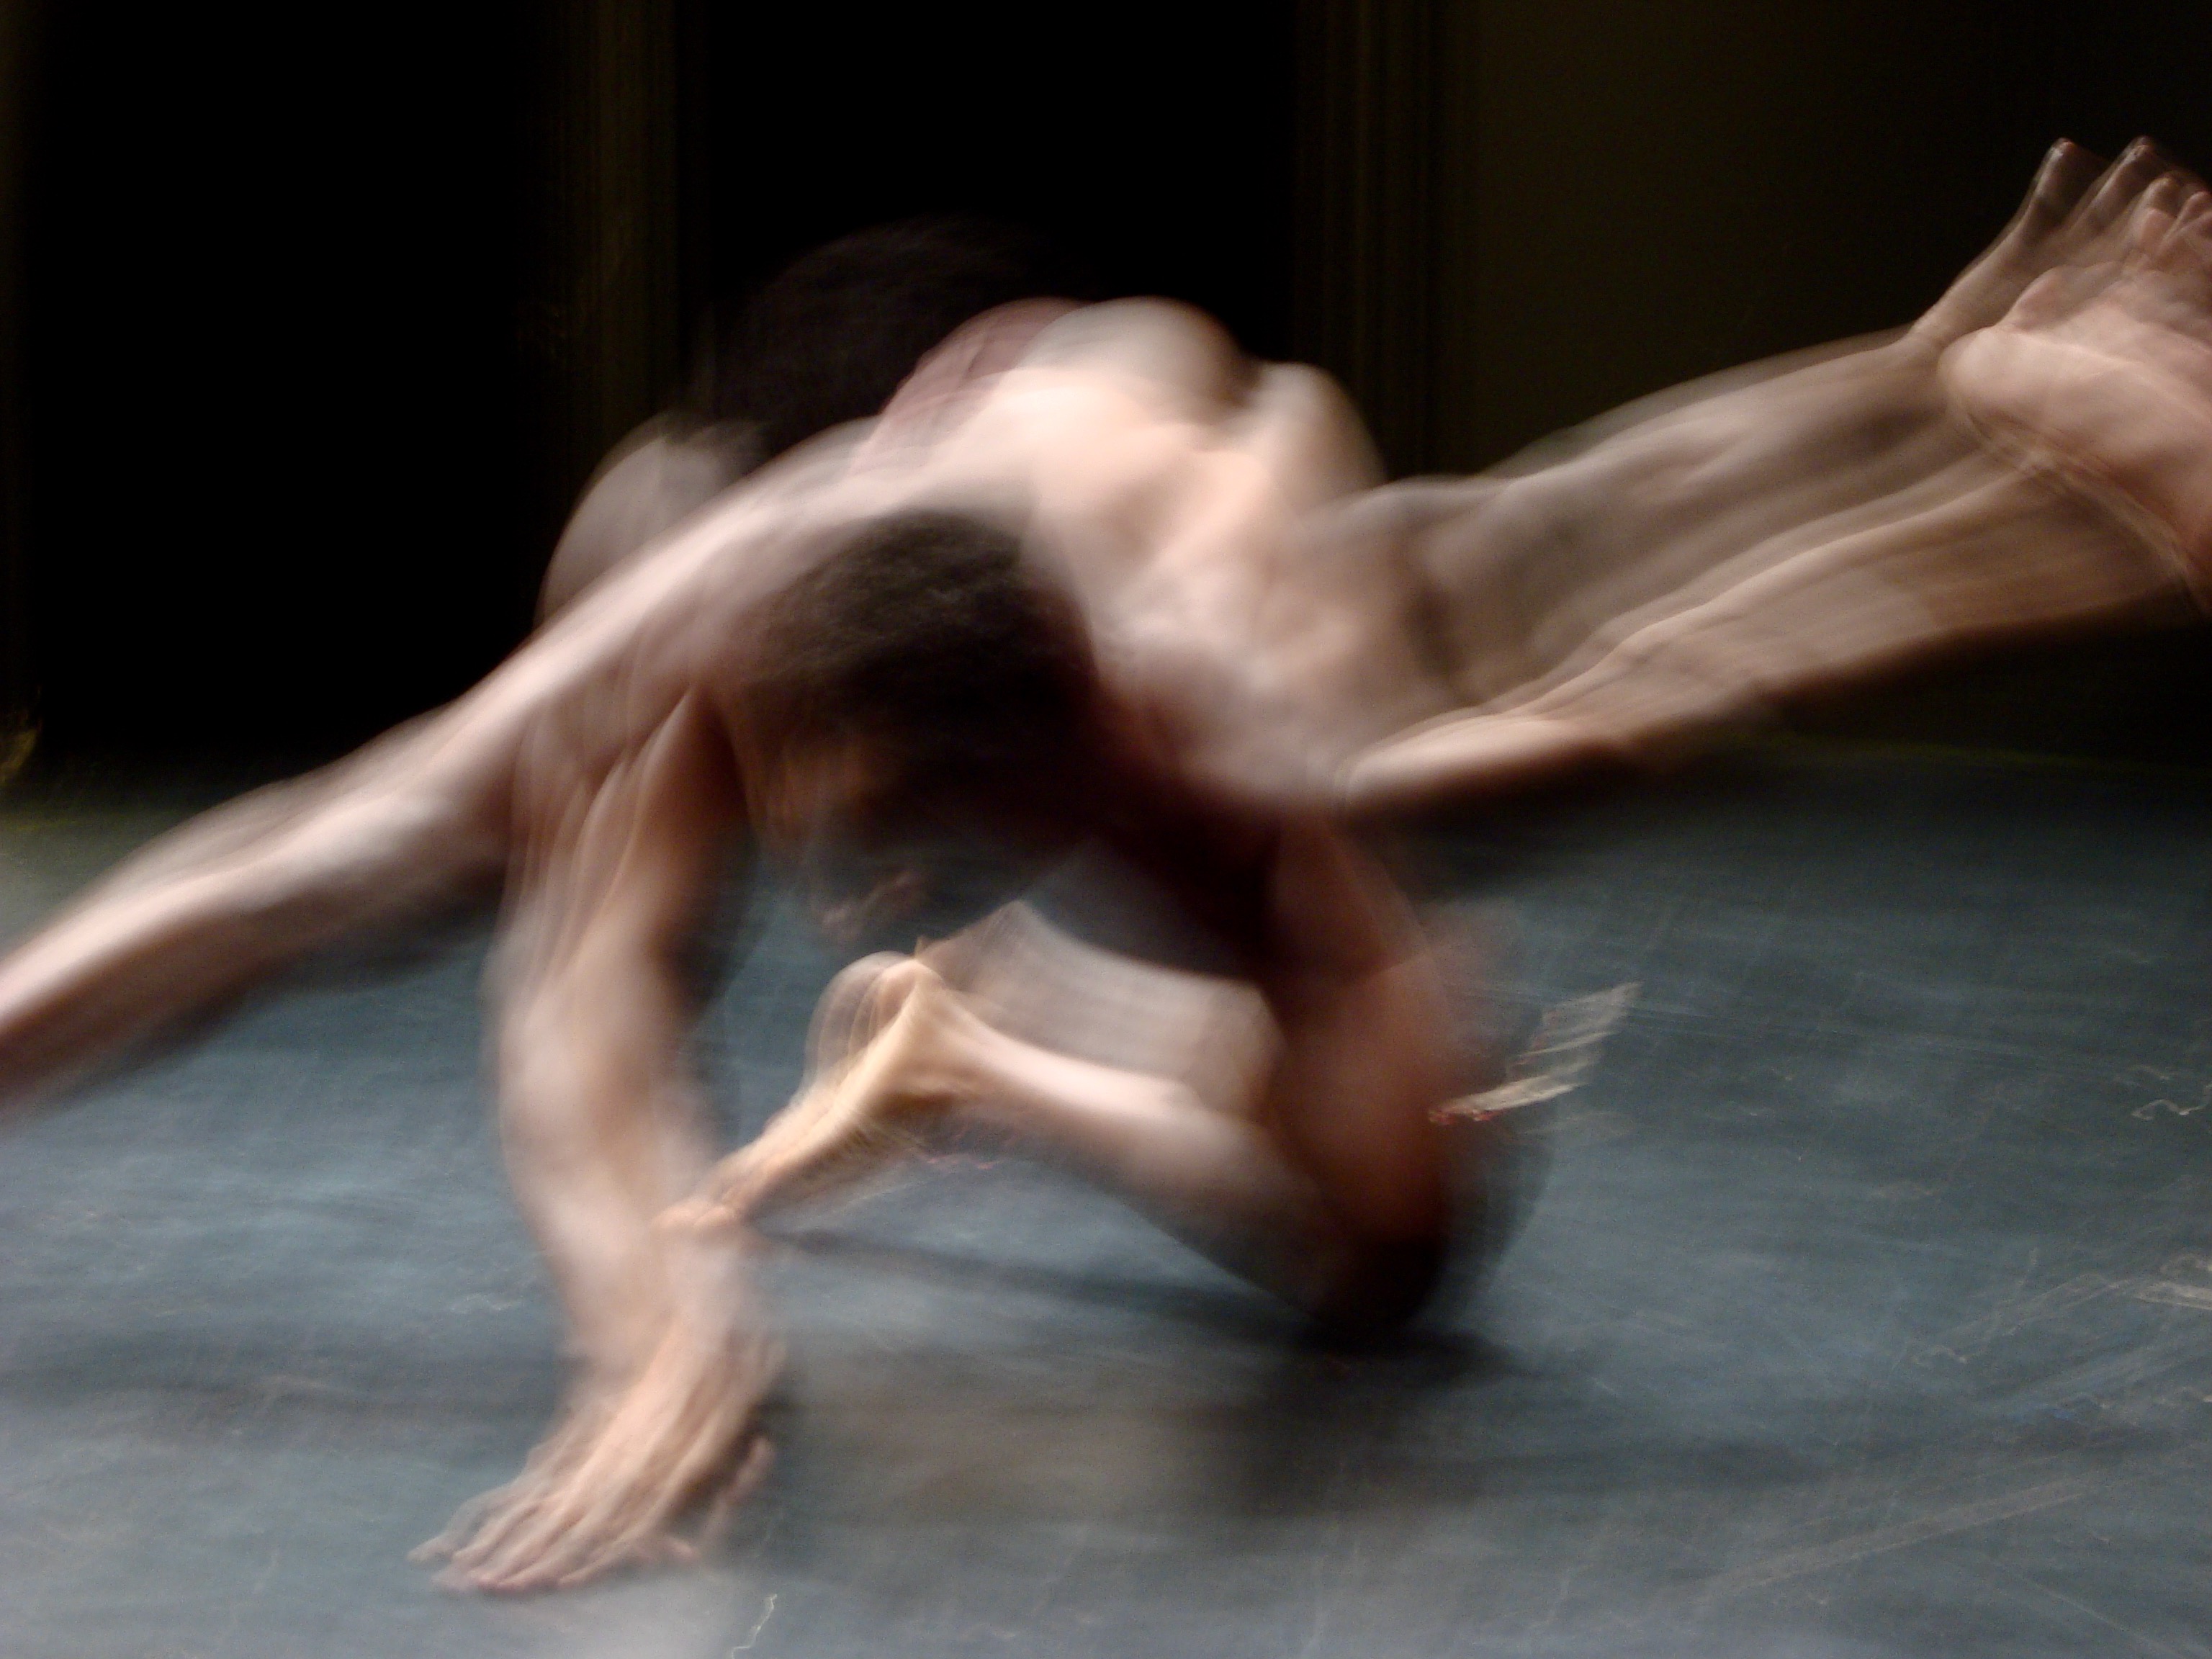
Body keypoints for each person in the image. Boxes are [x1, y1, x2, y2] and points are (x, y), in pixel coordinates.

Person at [1, 140, 2207, 1593]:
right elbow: (512, 960)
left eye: (900, 849)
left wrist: (1996, 464)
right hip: (920, 480)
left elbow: (1641, 616)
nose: (842, 878)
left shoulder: (1252, 696)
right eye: (842, 843)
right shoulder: (711, 609)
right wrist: (646, 1326)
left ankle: (987, 1054)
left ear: (1072, 751)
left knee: (1394, 1266)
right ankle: (965, 1021)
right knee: (415, 822)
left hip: (1163, 487)